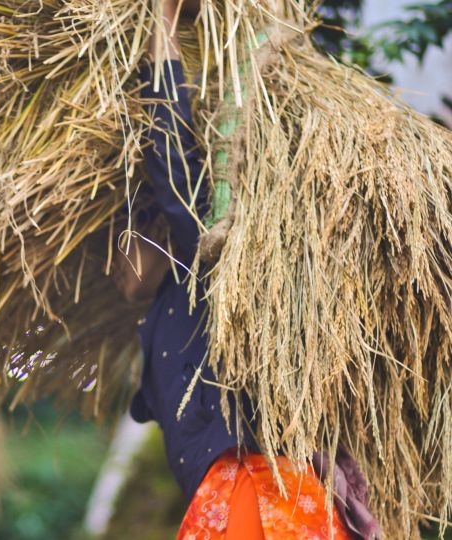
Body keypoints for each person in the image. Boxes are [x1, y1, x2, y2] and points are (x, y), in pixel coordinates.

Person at [111, 1, 357, 537]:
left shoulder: (210, 261)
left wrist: (164, 24)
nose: (114, 272)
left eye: (118, 247)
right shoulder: (164, 318)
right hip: (253, 501)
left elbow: (170, 155)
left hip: (263, 496)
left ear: (156, 230)